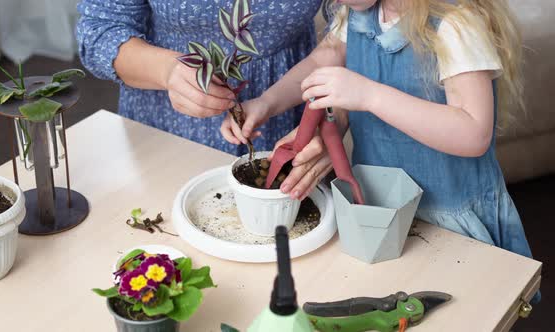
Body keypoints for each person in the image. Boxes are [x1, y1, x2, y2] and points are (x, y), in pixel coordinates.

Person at [223, 0, 539, 301]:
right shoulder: (361, 12)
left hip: (448, 223)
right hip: (379, 212)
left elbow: (473, 133)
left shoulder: (456, 23)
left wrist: (369, 95)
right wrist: (265, 103)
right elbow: (324, 59)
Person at [75, 0, 322, 155]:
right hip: (168, 125)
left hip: (291, 109)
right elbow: (99, 31)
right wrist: (167, 71)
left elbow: (347, 32)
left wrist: (334, 123)